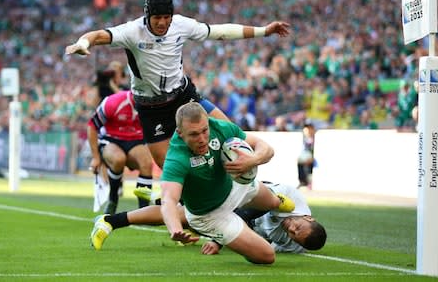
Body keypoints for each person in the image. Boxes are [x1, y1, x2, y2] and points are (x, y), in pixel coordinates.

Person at [65, 0, 290, 169]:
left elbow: (220, 31)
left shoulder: (182, 25)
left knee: (231, 132)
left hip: (183, 95)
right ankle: (191, 208)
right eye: (157, 18)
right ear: (147, 16)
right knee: (167, 165)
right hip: (150, 107)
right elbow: (96, 36)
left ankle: (247, 182)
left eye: (166, 18)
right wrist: (83, 44)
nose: (162, 23)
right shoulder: (132, 31)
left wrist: (264, 30)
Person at [91, 102, 295, 264]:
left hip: (235, 186)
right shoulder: (176, 158)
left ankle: (267, 206)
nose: (202, 139)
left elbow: (265, 147)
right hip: (210, 215)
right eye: (194, 134)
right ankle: (236, 233)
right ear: (180, 133)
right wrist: (174, 229)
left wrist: (252, 160)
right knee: (267, 256)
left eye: (204, 131)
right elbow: (169, 201)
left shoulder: (219, 127)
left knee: (276, 203)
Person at [89, 181, 326, 254]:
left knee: (187, 219)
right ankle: (110, 221)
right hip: (237, 196)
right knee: (181, 216)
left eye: (295, 236)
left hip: (239, 218)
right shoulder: (287, 200)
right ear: (310, 218)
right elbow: (247, 210)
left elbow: (261, 239)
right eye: (298, 226)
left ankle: (163, 198)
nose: (291, 229)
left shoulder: (294, 243)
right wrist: (219, 239)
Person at [88, 90, 154, 214]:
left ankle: (144, 210)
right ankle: (113, 198)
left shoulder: (152, 105)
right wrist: (96, 157)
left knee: (146, 163)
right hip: (111, 139)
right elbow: (92, 126)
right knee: (118, 159)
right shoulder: (113, 102)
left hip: (136, 140)